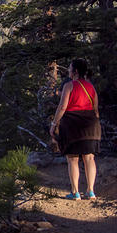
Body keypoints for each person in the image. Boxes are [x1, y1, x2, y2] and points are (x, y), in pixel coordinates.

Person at [49, 58, 101, 200]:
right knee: (89, 158)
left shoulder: (69, 86)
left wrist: (54, 124)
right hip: (91, 125)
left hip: (72, 125)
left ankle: (75, 192)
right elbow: (96, 110)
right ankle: (90, 191)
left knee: (72, 159)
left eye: (70, 68)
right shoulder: (91, 87)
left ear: (76, 71)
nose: (68, 71)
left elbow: (62, 107)